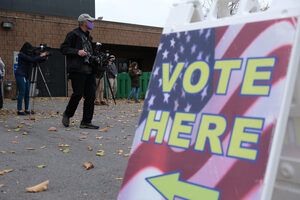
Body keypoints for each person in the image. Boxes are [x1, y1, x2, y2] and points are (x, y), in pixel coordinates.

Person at [60, 13, 99, 129]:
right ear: (84, 22)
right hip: (78, 70)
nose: (92, 23)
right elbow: (63, 48)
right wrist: (77, 51)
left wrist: (104, 59)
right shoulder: (73, 34)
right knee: (77, 94)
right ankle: (67, 114)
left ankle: (86, 122)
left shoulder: (89, 38)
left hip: (89, 70)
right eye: (90, 21)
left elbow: (92, 54)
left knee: (91, 96)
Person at [15, 42, 47, 115]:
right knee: (22, 92)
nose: (30, 51)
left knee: (27, 93)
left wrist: (43, 58)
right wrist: (41, 55)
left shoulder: (28, 55)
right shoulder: (21, 55)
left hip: (26, 76)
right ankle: (19, 110)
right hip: (20, 75)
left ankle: (26, 109)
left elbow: (34, 61)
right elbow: (31, 60)